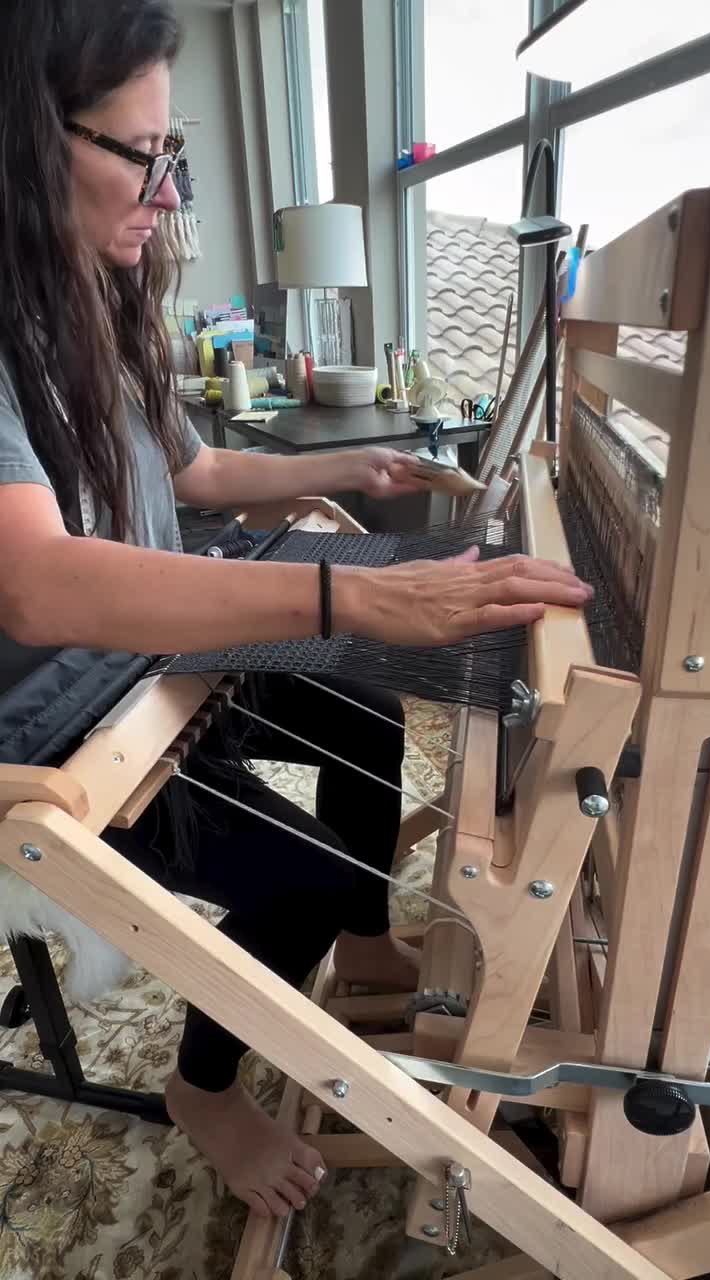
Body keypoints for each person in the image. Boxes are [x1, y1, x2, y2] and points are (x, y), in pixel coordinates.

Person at [0, 0, 592, 1222]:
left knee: (369, 712)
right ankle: (201, 1087)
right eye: (145, 154)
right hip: (57, 728)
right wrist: (354, 588)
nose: (168, 191)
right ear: (24, 136)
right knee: (301, 873)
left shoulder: (94, 308)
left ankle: (367, 940)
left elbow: (192, 475)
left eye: (175, 156)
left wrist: (339, 475)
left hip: (146, 655)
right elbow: (39, 579)